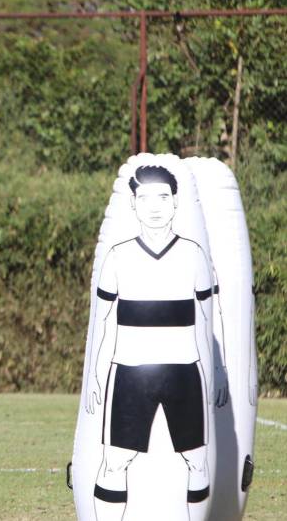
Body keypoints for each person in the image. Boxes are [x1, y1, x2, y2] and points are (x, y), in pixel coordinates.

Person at [85, 165, 229, 521]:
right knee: (115, 461)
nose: (154, 206)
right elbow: (101, 324)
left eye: (163, 196)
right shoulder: (117, 258)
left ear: (175, 203)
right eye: (145, 198)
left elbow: (212, 318)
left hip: (184, 374)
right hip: (129, 375)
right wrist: (95, 375)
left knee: (196, 460)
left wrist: (220, 371)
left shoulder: (194, 254)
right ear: (133, 204)